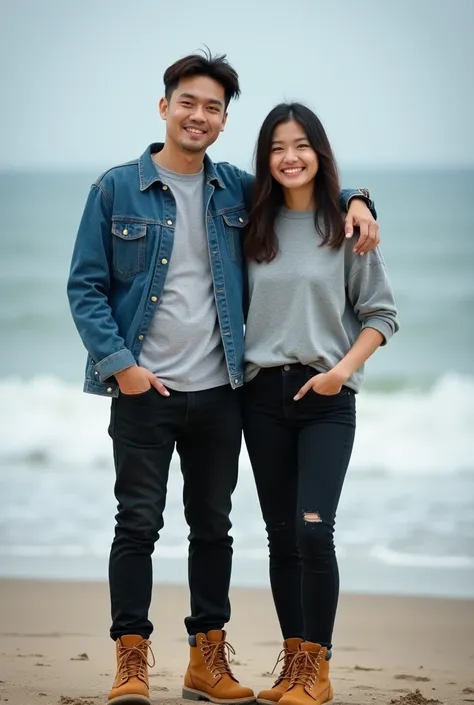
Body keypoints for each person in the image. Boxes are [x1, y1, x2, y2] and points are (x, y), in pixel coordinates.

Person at [67, 50, 380, 705]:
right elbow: (85, 288)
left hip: (222, 393)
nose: (199, 115)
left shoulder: (235, 188)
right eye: (189, 102)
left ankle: (206, 659)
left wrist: (358, 199)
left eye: (213, 107)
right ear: (165, 106)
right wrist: (121, 367)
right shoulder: (115, 188)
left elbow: (304, 189)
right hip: (143, 389)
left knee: (214, 527)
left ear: (224, 119)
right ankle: (131, 661)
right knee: (137, 524)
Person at [242, 103, 399, 705]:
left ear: (319, 152)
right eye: (278, 147)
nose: (290, 156)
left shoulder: (347, 227)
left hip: (326, 398)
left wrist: (340, 373)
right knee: (280, 537)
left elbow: (381, 315)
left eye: (301, 144)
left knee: (313, 533)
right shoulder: (250, 224)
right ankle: (292, 661)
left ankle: (319, 668)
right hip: (259, 398)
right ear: (265, 158)